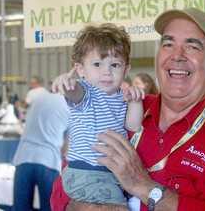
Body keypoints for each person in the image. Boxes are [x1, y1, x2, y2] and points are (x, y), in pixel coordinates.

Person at [51, 8, 205, 211]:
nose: (177, 55)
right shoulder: (124, 107)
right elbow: (61, 187)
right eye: (168, 44)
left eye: (193, 46)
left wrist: (145, 187)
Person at [51, 24, 144, 206]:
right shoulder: (87, 92)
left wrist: (135, 101)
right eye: (97, 64)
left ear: (125, 70)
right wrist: (67, 84)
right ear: (81, 70)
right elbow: (74, 93)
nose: (106, 71)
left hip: (110, 173)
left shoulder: (120, 96)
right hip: (86, 173)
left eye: (115, 65)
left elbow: (133, 126)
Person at [12, 91, 69, 211]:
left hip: (24, 158)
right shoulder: (71, 106)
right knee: (50, 207)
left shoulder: (39, 98)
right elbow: (67, 148)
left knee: (20, 208)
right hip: (49, 161)